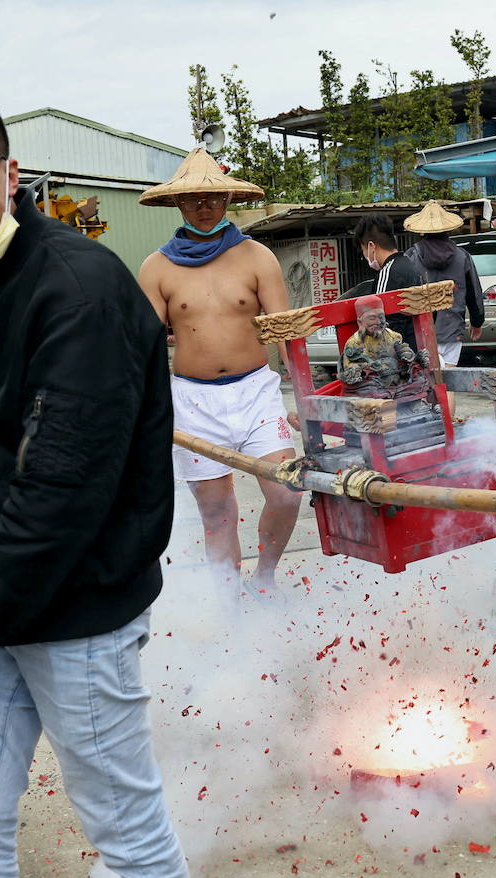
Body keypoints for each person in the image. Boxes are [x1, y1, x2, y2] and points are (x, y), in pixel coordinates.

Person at [0, 83, 195, 878]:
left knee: (124, 827)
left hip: (82, 613)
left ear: (8, 169)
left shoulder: (79, 289)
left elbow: (61, 489)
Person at [137, 149, 301, 596]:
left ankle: (265, 576)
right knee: (216, 512)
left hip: (256, 392)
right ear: (178, 204)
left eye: (212, 197)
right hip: (192, 400)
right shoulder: (157, 267)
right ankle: (229, 606)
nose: (203, 207)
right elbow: (146, 345)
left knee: (287, 493)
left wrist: (306, 399)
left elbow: (286, 332)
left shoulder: (257, 257)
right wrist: (143, 410)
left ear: (228, 197)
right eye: (192, 200)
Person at [403, 201, 484, 412]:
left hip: (421, 330)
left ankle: (432, 430)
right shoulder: (462, 256)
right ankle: (449, 432)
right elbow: (474, 292)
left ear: (422, 231)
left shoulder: (411, 256)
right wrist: (477, 322)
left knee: (426, 381)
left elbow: (404, 293)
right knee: (448, 383)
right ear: (448, 229)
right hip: (452, 327)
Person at [353, 213, 422, 353]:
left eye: (364, 251)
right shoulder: (409, 265)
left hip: (399, 354)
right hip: (417, 347)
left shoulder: (388, 272)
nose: (365, 256)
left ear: (371, 246)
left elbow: (381, 322)